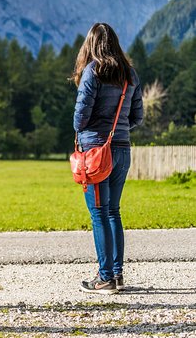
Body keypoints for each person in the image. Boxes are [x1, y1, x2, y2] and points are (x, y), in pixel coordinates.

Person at [72, 22, 143, 295]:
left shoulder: (93, 71)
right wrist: (118, 131)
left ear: (90, 44)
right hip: (123, 149)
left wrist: (96, 132)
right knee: (113, 212)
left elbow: (80, 118)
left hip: (96, 153)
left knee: (99, 214)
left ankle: (105, 278)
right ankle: (117, 274)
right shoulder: (130, 74)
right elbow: (137, 117)